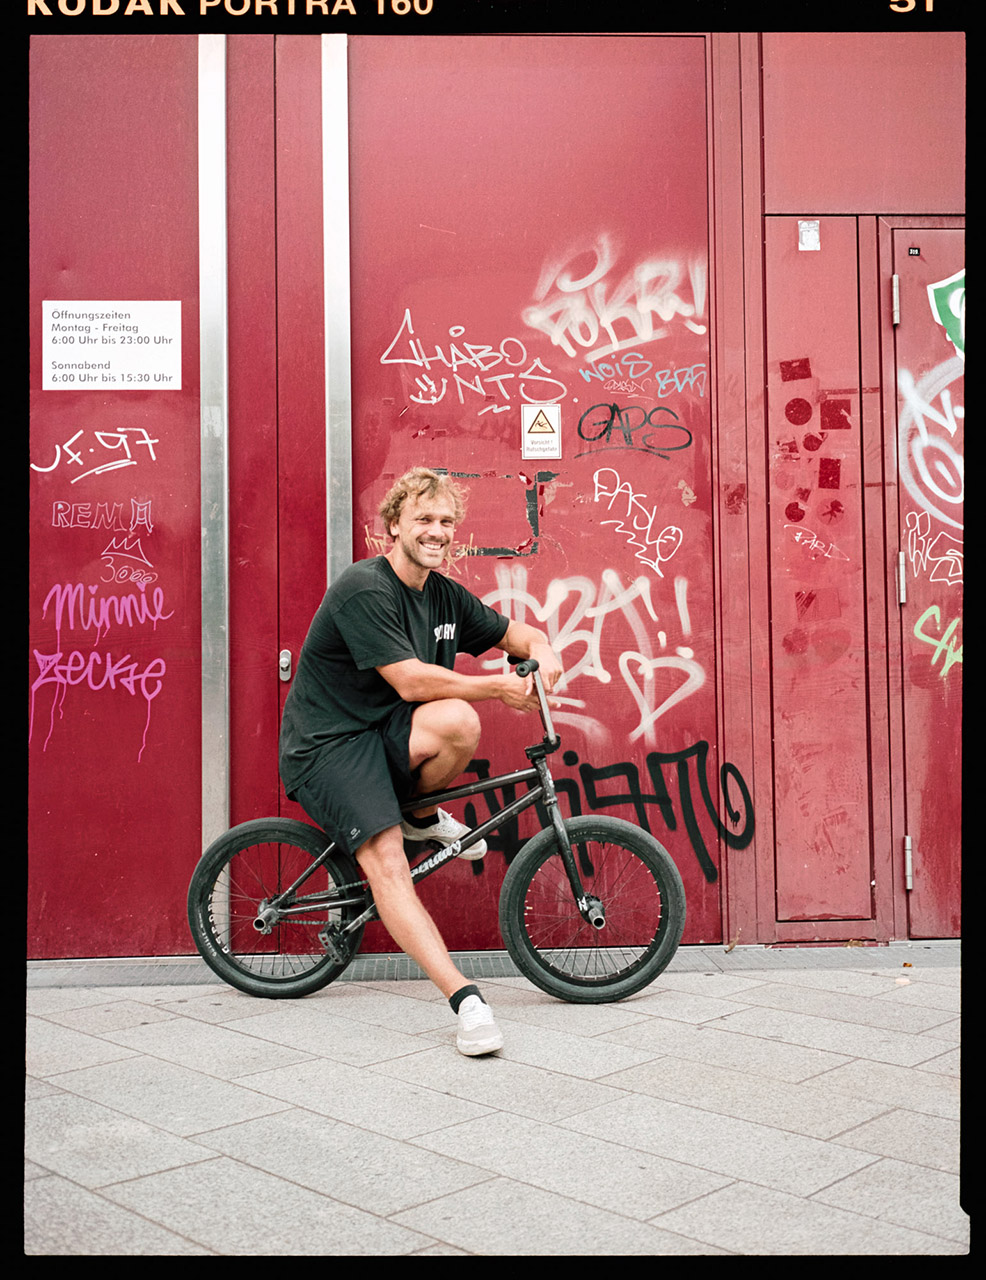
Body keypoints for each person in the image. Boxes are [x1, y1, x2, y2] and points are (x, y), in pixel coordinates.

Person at [279, 467, 564, 1056]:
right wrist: (501, 688)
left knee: (459, 720)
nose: (437, 531)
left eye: (446, 522)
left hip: (381, 734)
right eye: (424, 520)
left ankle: (415, 814)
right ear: (394, 527)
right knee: (387, 863)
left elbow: (518, 632)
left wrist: (543, 650)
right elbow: (409, 681)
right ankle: (467, 1002)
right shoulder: (366, 587)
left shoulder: (443, 593)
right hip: (330, 746)